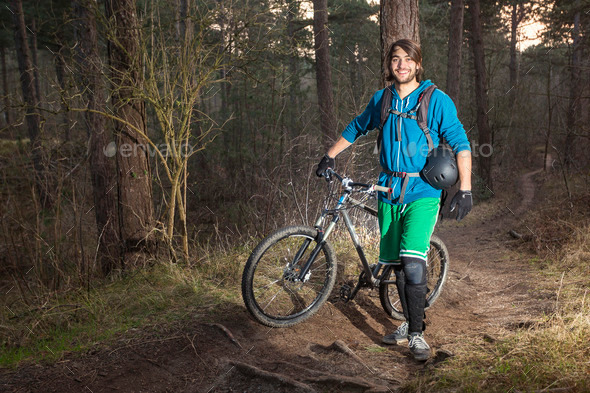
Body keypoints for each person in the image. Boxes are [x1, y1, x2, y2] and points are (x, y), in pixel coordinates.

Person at [315, 39, 473, 361]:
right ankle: (405, 326)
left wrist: (465, 188)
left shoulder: (436, 100)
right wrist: (329, 156)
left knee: (413, 261)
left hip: (423, 191)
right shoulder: (382, 99)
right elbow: (358, 126)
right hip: (387, 189)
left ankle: (417, 334)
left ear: (418, 64)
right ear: (390, 65)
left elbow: (460, 143)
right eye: (395, 60)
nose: (401, 65)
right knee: (398, 263)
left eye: (407, 60)